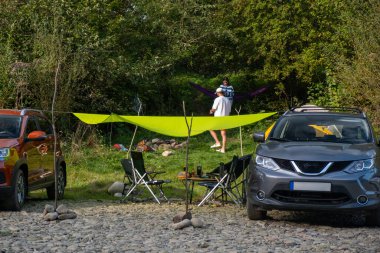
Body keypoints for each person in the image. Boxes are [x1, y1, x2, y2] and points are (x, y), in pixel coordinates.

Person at [209, 87, 231, 153]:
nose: (217, 94)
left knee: (210, 128)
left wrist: (211, 111)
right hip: (225, 118)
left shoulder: (217, 99)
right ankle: (223, 149)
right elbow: (229, 110)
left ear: (218, 93)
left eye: (217, 93)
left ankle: (218, 142)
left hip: (218, 118)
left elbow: (214, 109)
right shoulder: (228, 100)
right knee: (223, 133)